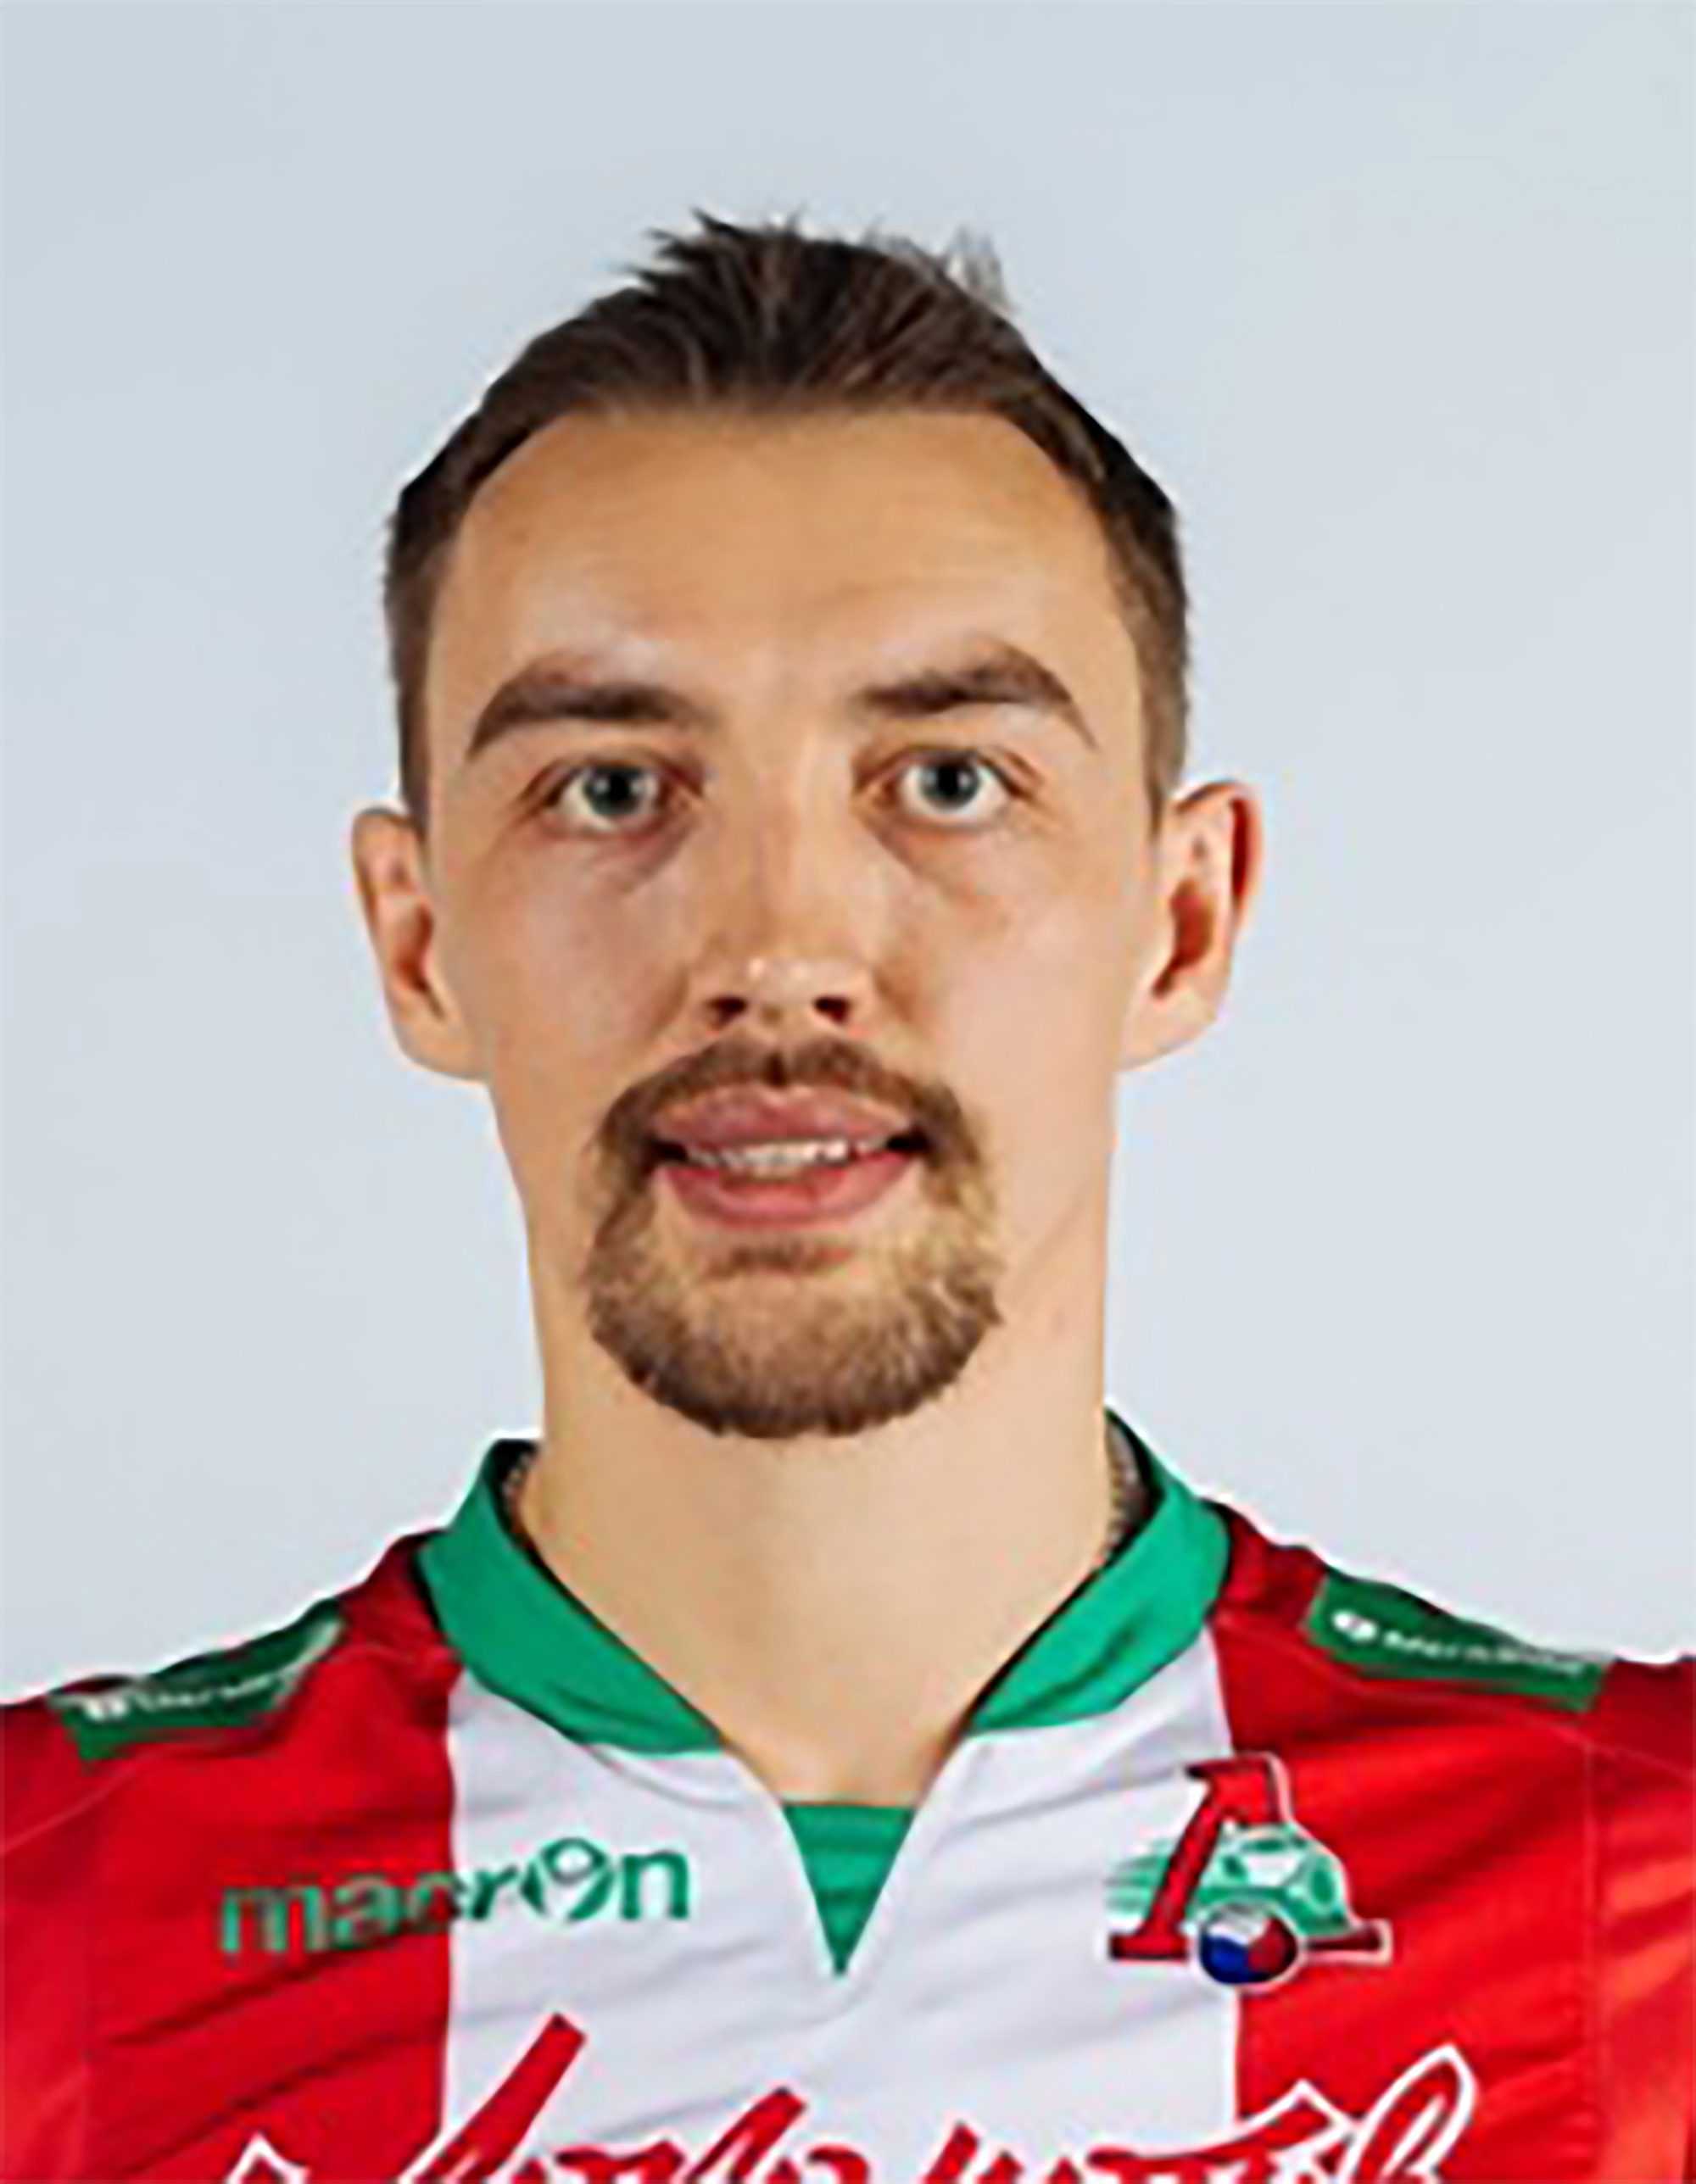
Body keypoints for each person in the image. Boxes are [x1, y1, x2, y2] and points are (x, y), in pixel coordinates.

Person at [3, 210, 1689, 2184]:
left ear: (1181, 917)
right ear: (419, 938)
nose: (780, 947)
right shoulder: (45, 1916)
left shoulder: (1646, 1890)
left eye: (949, 779)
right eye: (612, 787)